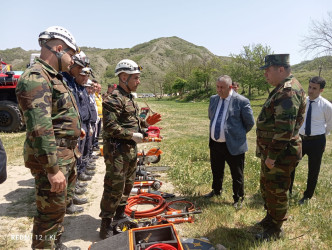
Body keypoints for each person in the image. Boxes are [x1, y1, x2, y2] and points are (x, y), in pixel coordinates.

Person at [15, 26, 82, 250]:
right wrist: (53, 170)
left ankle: (55, 245)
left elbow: (55, 116)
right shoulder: (36, 77)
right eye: (71, 55)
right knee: (48, 217)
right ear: (59, 48)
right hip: (53, 160)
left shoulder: (53, 77)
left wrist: (74, 129)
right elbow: (39, 128)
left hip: (66, 154)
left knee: (58, 211)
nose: (73, 60)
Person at [99, 59, 161, 239]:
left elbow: (132, 122)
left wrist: (146, 124)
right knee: (114, 186)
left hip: (129, 150)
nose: (139, 81)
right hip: (116, 151)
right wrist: (132, 135)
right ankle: (106, 224)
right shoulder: (113, 99)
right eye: (136, 78)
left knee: (127, 184)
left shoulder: (129, 99)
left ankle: (119, 215)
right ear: (124, 77)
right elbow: (110, 127)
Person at [256, 54, 306, 241]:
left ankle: (275, 230)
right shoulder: (281, 88)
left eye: (268, 70)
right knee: (268, 188)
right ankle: (271, 219)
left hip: (280, 154)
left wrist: (272, 156)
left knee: (277, 190)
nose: (265, 74)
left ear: (281, 69)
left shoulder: (288, 91)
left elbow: (285, 129)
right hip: (273, 152)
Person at [205, 75, 254, 209]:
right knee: (216, 170)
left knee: (237, 173)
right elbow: (211, 116)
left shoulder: (241, 101)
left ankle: (238, 198)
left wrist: (237, 135)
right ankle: (216, 190)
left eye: (222, 87)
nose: (219, 90)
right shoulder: (214, 99)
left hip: (234, 145)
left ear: (230, 87)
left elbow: (249, 123)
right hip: (215, 143)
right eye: (217, 87)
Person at [289, 76, 332, 204]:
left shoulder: (327, 106)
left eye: (315, 88)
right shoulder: (302, 101)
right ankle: (288, 191)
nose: (311, 90)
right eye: (310, 87)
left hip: (317, 141)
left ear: (321, 90)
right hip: (300, 139)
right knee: (291, 164)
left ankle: (307, 196)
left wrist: (323, 135)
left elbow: (330, 124)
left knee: (313, 169)